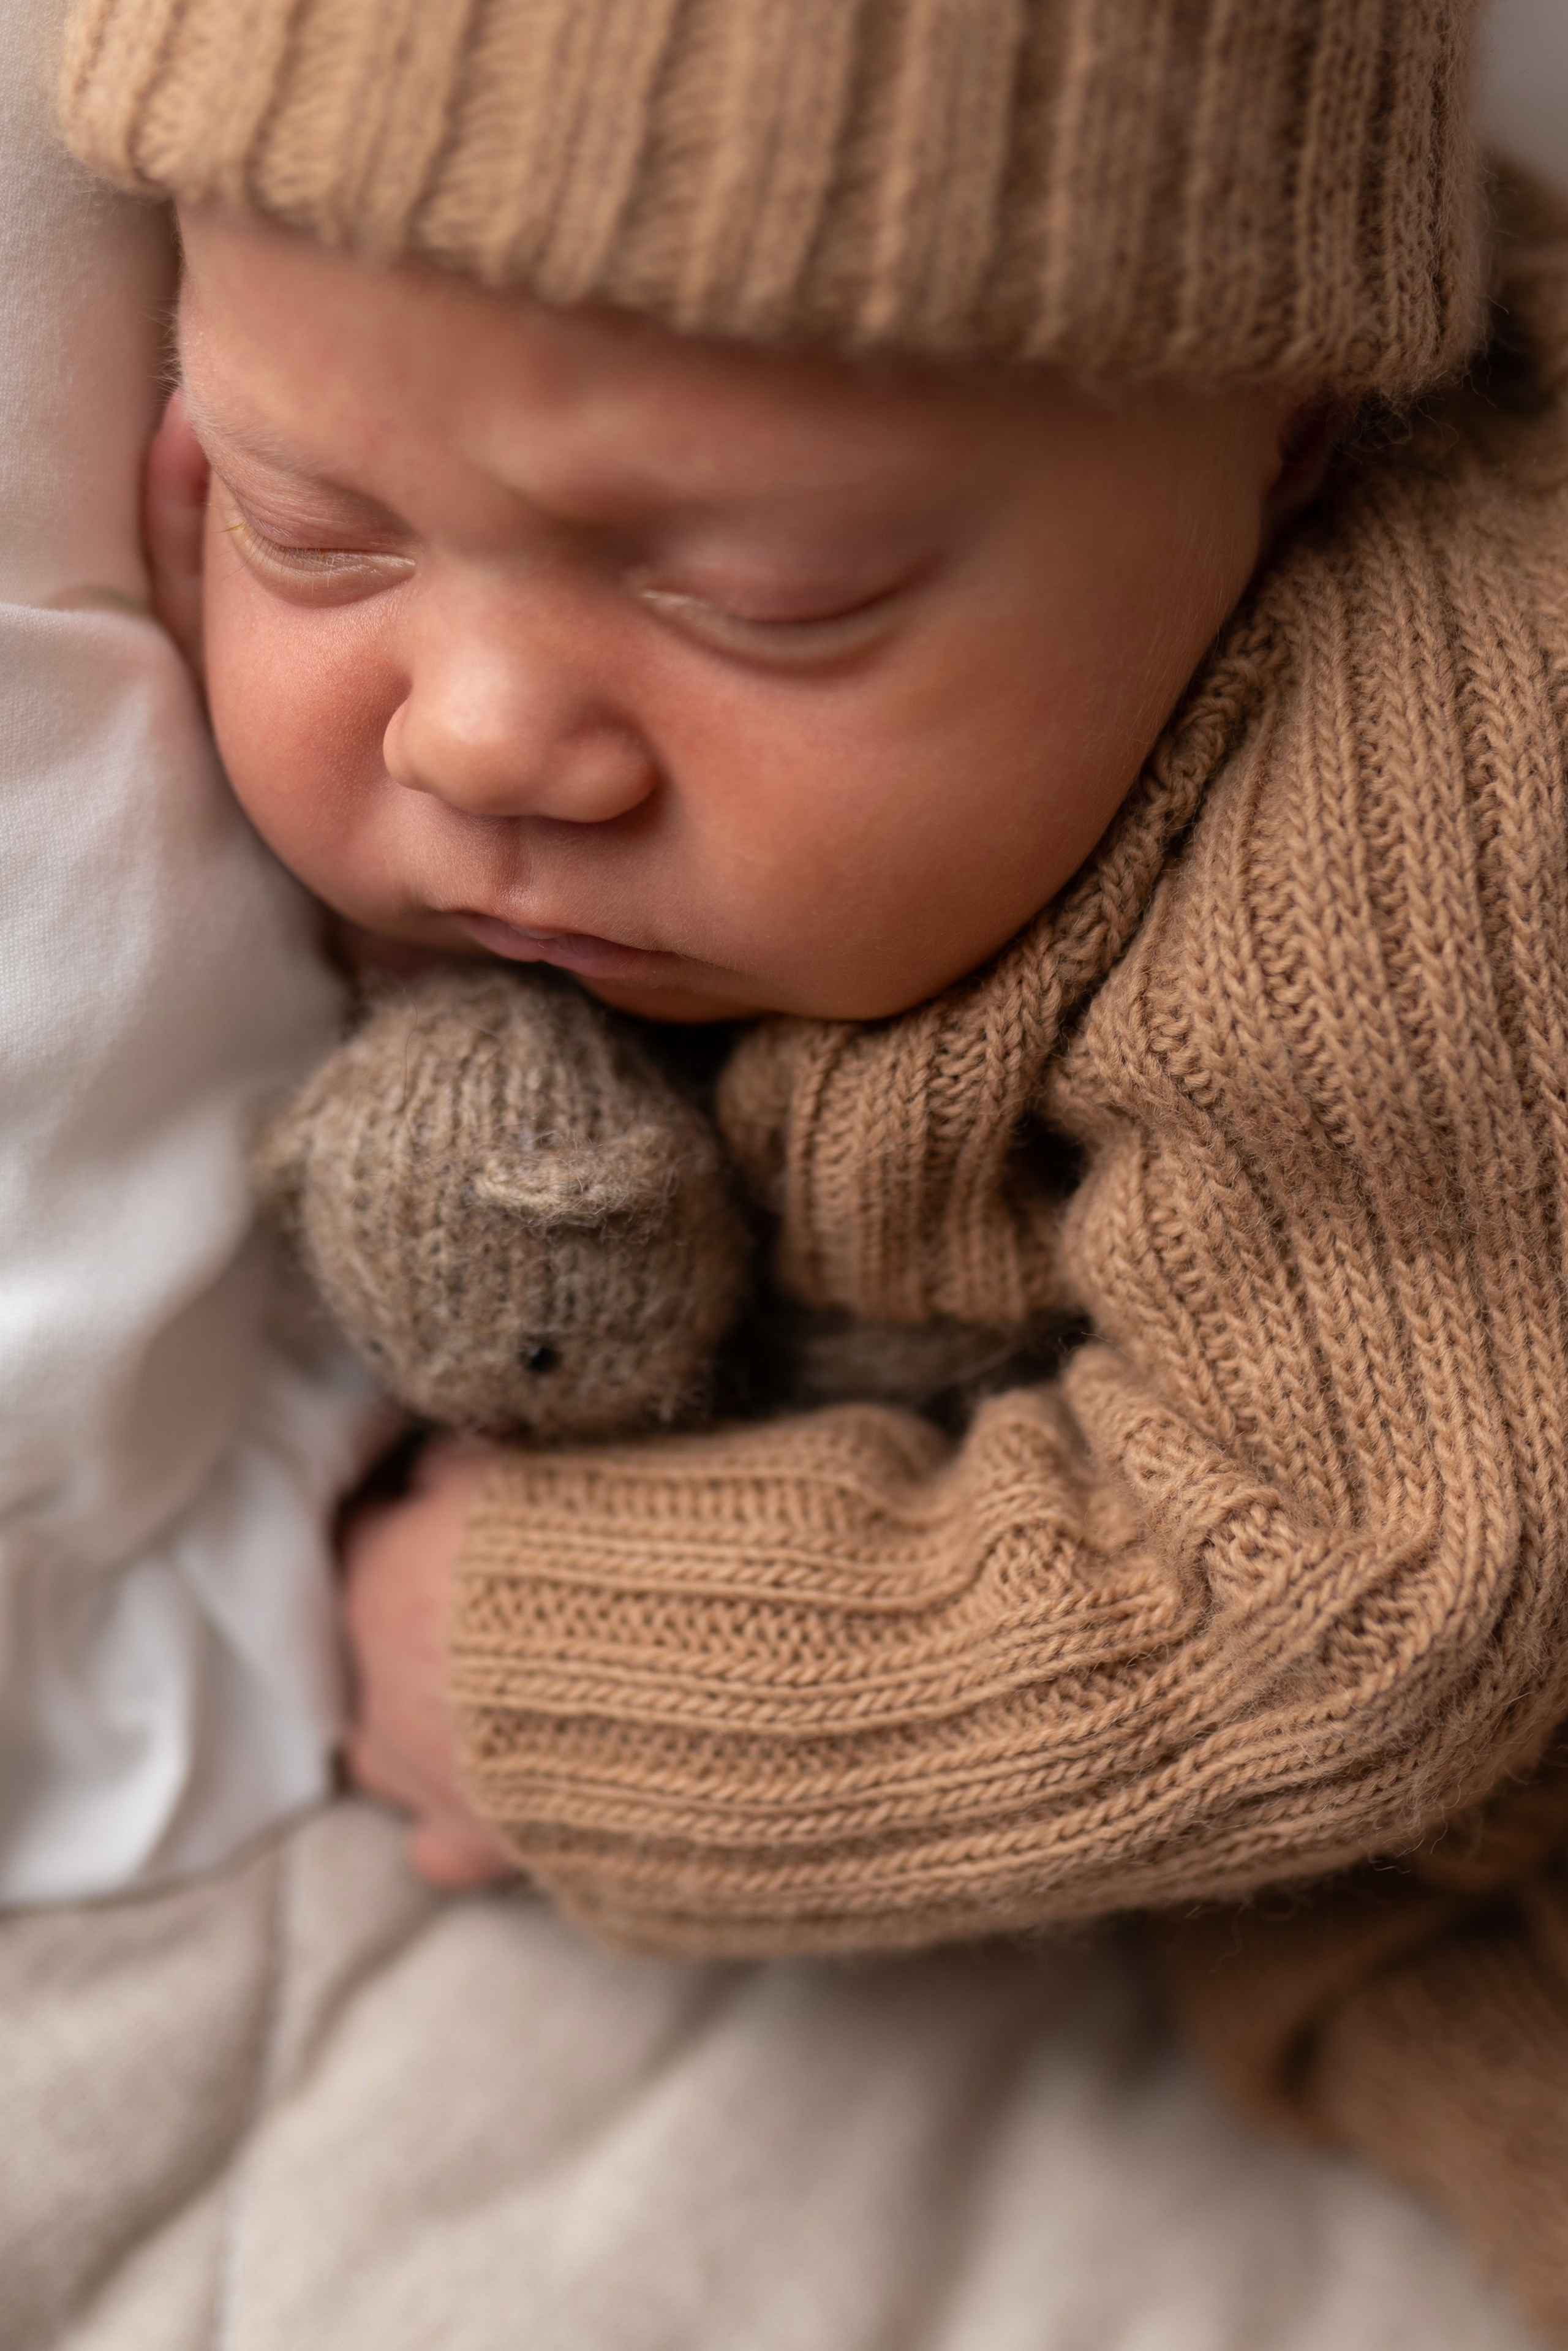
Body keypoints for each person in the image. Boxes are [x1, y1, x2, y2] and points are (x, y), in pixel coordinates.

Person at [54, 0, 1568, 2334]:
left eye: (762, 601)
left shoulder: (1447, 782)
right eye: (313, 525)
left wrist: (553, 1671)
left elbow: (1364, 1592)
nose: (478, 737)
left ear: (1285, 449)